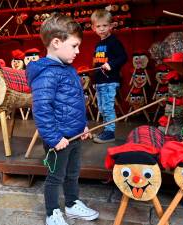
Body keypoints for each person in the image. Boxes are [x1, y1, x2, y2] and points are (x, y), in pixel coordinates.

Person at [26, 13, 99, 225]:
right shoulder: (47, 73)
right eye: (75, 46)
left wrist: (83, 126)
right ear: (56, 43)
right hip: (58, 140)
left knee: (73, 173)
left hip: (74, 135)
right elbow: (42, 109)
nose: (78, 51)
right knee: (55, 177)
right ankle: (52, 213)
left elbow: (72, 103)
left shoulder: (67, 69)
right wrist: (54, 138)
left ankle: (72, 204)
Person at [91, 9, 127, 144]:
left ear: (111, 26)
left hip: (110, 81)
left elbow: (123, 57)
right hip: (100, 82)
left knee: (107, 107)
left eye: (104, 26)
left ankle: (110, 132)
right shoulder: (98, 44)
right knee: (102, 108)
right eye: (98, 26)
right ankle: (106, 129)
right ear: (94, 28)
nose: (101, 29)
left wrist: (111, 64)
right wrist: (95, 80)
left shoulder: (113, 42)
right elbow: (96, 64)